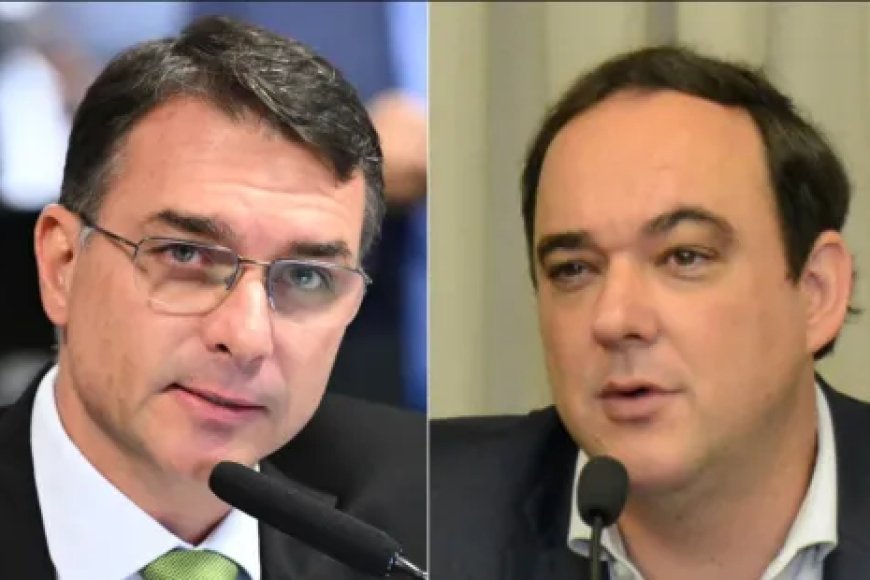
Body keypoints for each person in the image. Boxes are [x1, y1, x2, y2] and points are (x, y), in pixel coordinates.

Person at [1, 15, 425, 580]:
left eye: (305, 277)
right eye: (186, 255)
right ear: (62, 265)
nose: (247, 337)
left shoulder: (427, 512)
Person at [431, 45, 867, 580]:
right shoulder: (421, 523)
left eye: (684, 257)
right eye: (574, 269)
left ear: (817, 292)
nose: (614, 319)